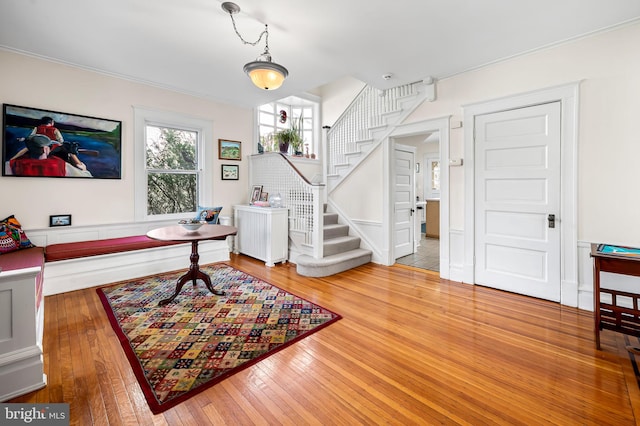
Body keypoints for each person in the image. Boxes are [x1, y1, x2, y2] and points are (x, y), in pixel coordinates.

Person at [10, 116, 87, 170]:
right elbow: (61, 141)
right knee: (69, 151)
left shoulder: (37, 128)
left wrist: (24, 139)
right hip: (53, 148)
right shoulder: (55, 129)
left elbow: (31, 137)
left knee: (26, 149)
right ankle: (79, 165)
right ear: (52, 122)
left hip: (38, 146)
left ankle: (12, 159)